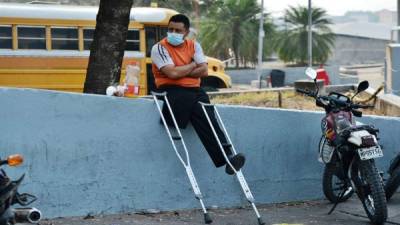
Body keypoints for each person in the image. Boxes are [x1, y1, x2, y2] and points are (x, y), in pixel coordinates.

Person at [151, 14, 245, 175]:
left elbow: (204, 70)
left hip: (195, 90)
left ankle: (227, 155)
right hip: (172, 90)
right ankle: (226, 157)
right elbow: (172, 74)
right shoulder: (159, 48)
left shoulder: (194, 46)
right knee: (202, 113)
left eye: (178, 30)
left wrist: (184, 70)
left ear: (186, 32)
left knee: (209, 115)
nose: (173, 33)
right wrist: (193, 64)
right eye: (170, 29)